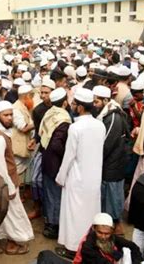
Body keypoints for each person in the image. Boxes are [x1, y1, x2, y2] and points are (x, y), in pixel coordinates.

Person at [55, 88, 106, 258]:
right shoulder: (100, 125)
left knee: (74, 215)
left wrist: (60, 178)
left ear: (81, 107)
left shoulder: (75, 128)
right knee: (90, 213)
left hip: (77, 179)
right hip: (94, 178)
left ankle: (73, 248)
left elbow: (69, 156)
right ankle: (89, 244)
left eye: (74, 104)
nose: (73, 106)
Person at [0, 101, 34, 256]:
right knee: (12, 215)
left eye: (11, 114)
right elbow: (1, 167)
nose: (9, 118)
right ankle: (11, 245)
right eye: (5, 115)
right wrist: (10, 188)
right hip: (5, 184)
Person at [92, 85, 129, 235]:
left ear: (106, 100)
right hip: (109, 162)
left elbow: (106, 144)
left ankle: (116, 225)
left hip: (113, 163)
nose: (94, 105)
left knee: (113, 195)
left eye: (96, 102)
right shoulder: (105, 114)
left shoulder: (113, 117)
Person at [39, 88, 71, 239]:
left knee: (50, 193)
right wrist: (68, 154)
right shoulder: (63, 119)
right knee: (55, 194)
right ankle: (53, 226)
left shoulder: (49, 113)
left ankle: (49, 221)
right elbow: (57, 144)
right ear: (64, 102)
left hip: (46, 159)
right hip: (55, 163)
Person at [74, 213, 143, 264]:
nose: (103, 237)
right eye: (100, 232)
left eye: (107, 233)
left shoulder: (112, 237)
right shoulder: (87, 246)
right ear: (93, 228)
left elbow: (133, 247)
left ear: (112, 231)